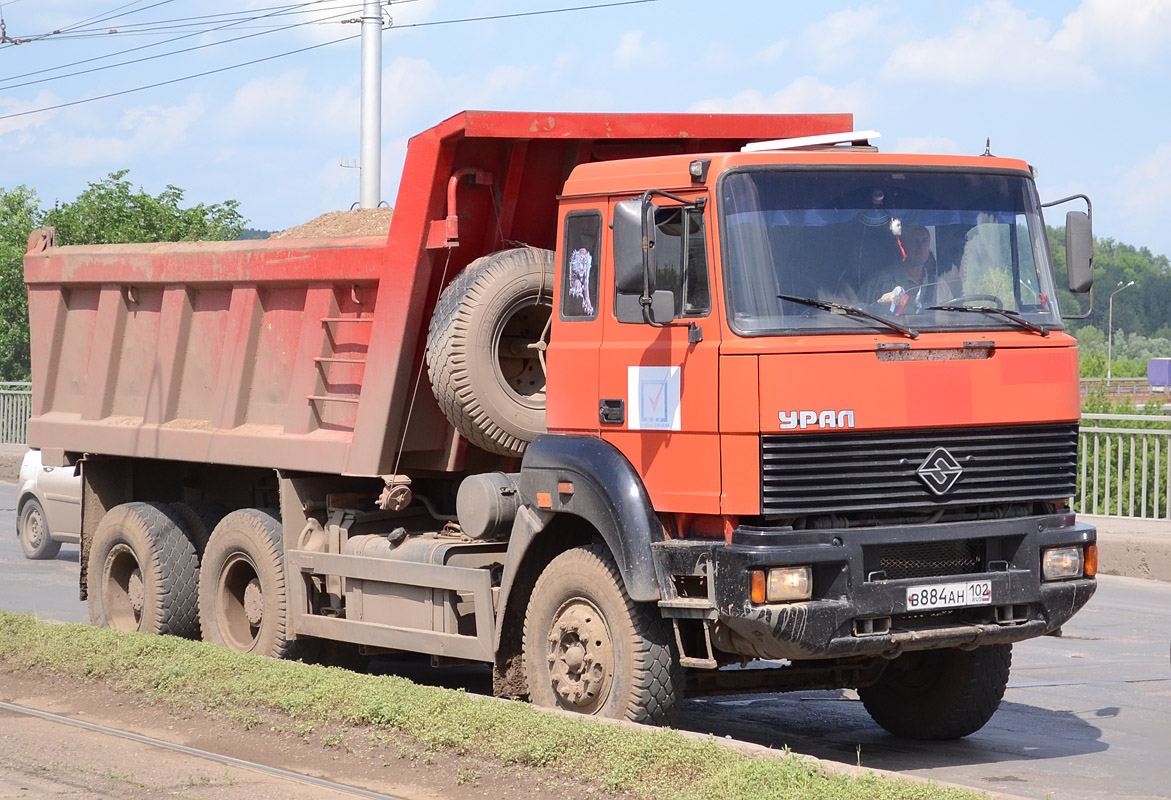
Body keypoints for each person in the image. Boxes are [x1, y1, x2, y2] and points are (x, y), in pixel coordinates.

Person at [861, 224, 936, 313]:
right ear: (900, 246)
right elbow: (855, 316)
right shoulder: (878, 283)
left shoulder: (939, 285)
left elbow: (950, 318)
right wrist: (879, 307)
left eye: (924, 241)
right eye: (914, 241)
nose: (920, 246)